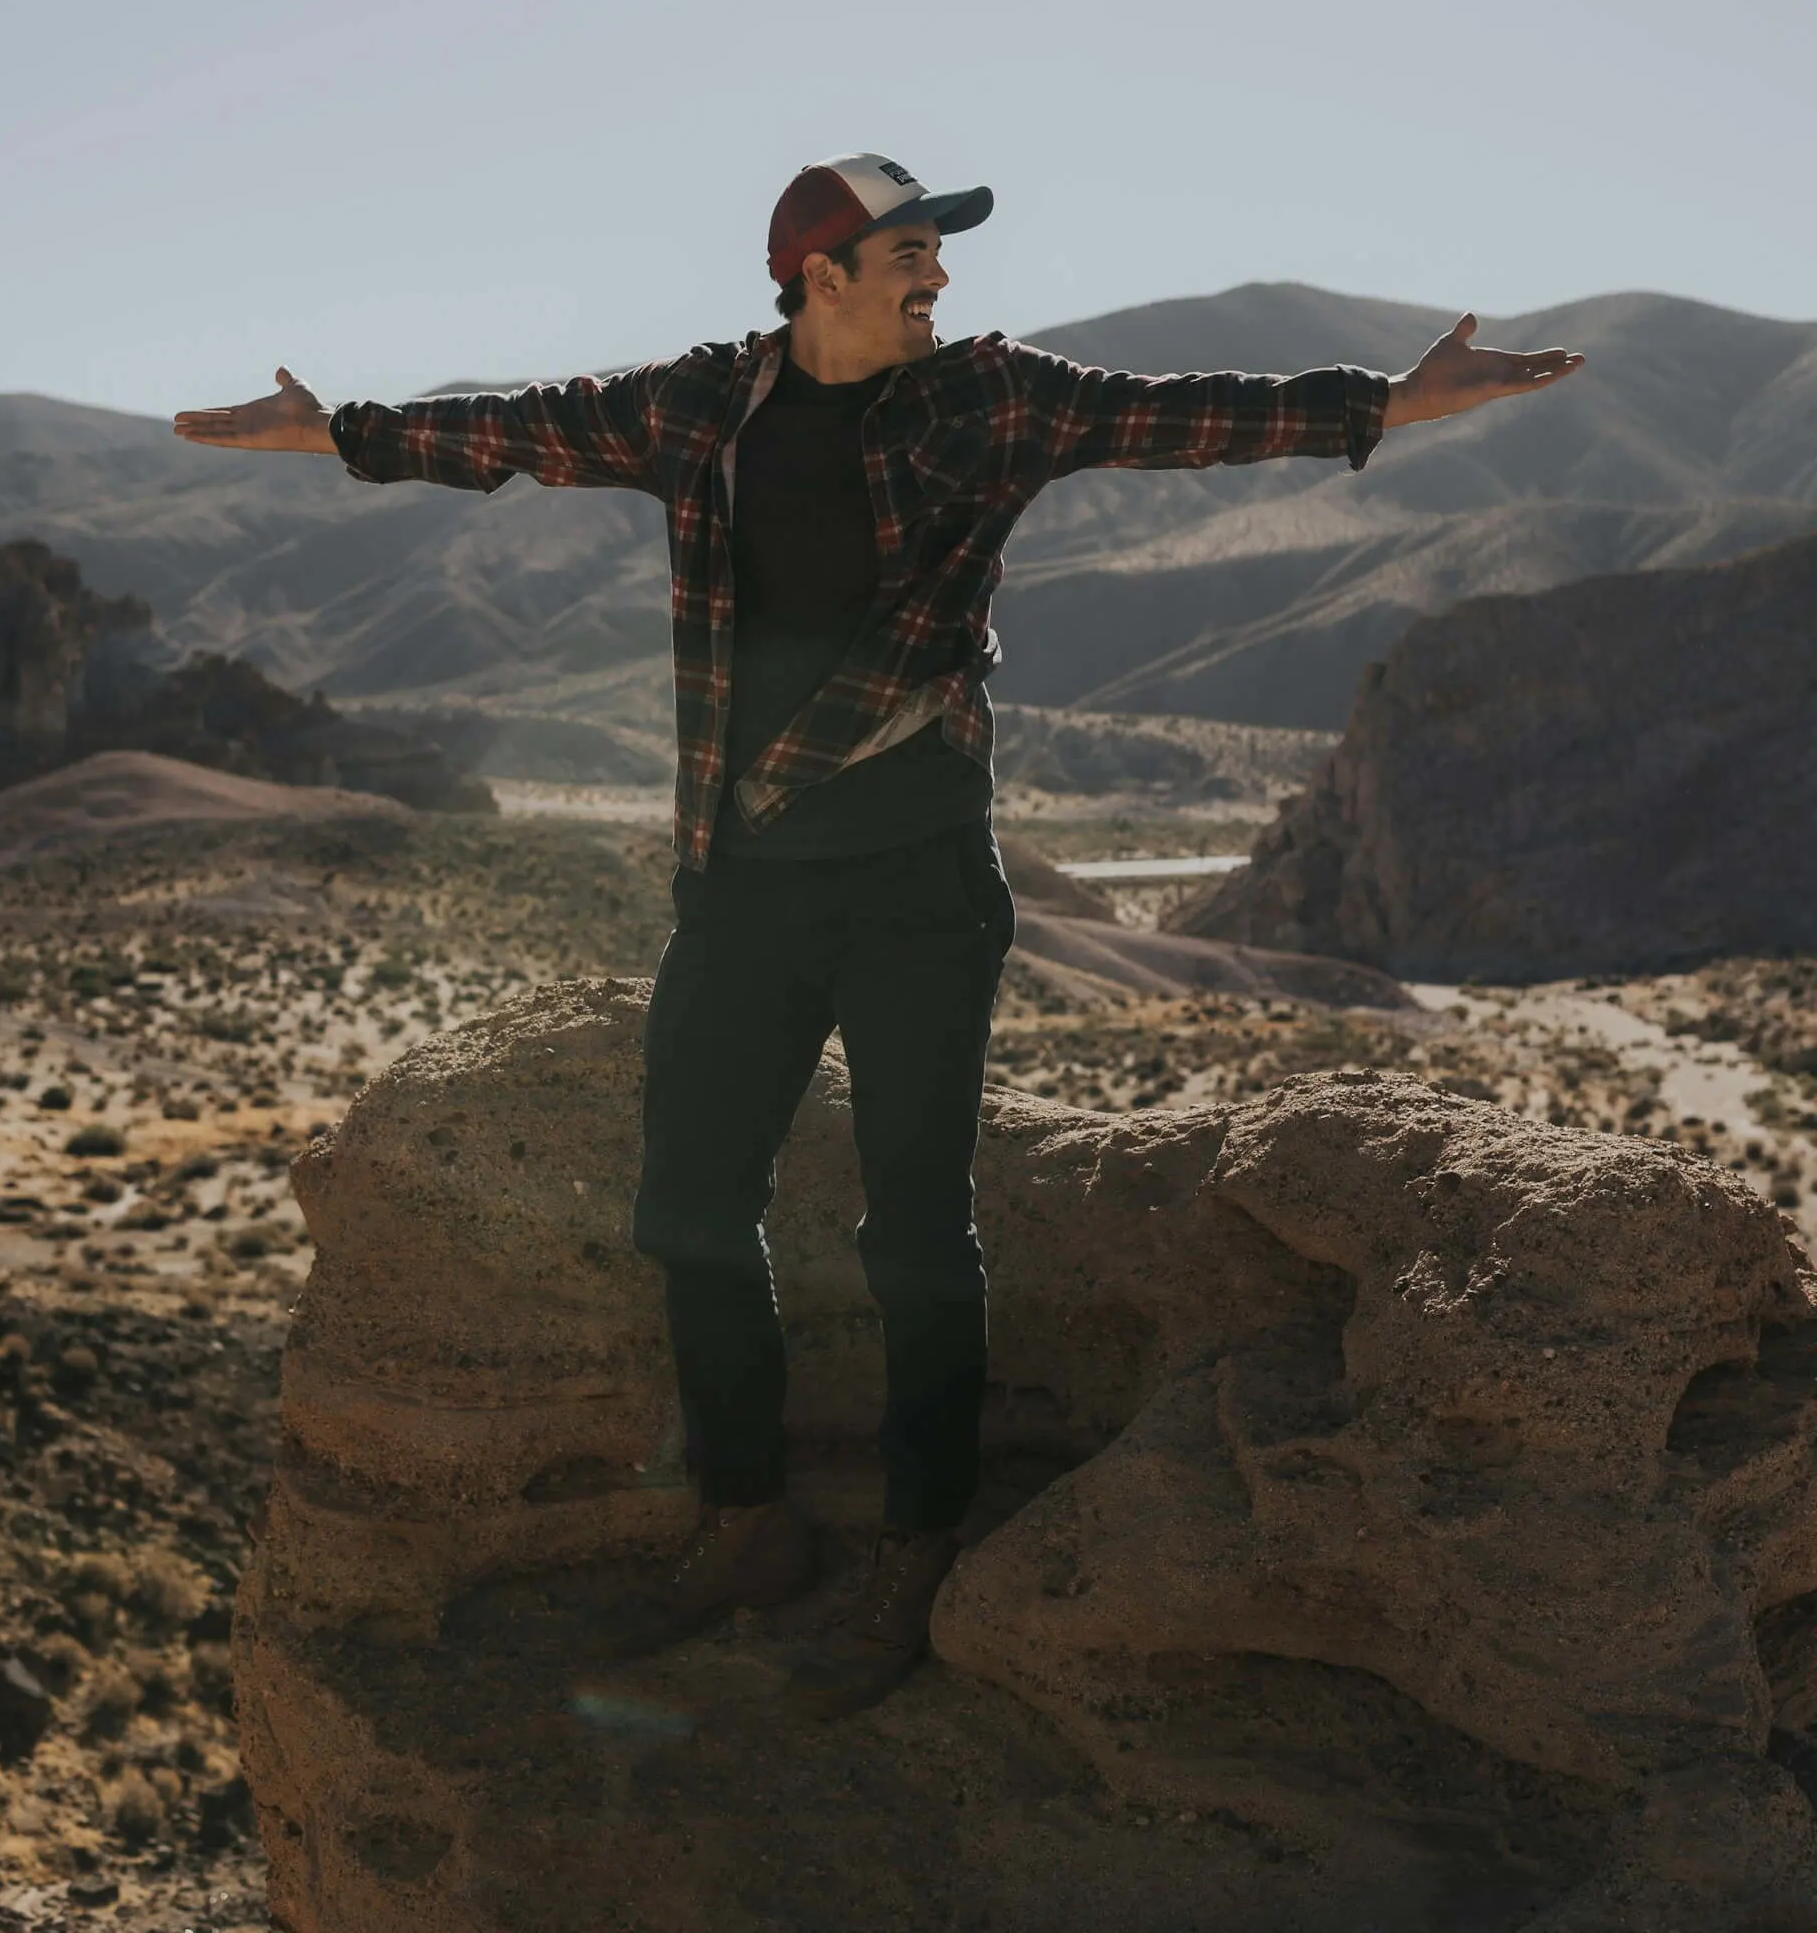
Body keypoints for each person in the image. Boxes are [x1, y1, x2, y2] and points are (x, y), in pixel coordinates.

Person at [174, 151, 1581, 1716]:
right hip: (742, 877)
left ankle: (918, 1544)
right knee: (688, 1212)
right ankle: (744, 1523)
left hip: (920, 877)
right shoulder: (702, 408)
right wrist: (337, 432)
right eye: (913, 250)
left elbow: (1190, 415)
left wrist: (1385, 399)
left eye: (940, 251)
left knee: (917, 1237)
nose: (942, 277)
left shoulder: (993, 403)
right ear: (820, 273)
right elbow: (517, 429)